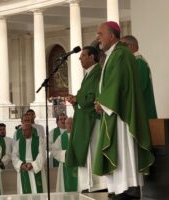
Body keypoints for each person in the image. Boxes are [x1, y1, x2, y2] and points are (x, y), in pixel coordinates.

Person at [93, 21, 154, 199]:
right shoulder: (114, 54)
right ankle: (119, 189)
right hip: (113, 111)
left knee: (122, 153)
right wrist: (102, 101)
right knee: (118, 154)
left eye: (100, 34)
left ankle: (127, 189)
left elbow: (118, 83)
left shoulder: (121, 54)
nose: (98, 38)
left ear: (112, 36)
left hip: (121, 115)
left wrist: (102, 102)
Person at [65, 46, 106, 192]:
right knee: (86, 151)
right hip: (84, 119)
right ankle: (88, 184)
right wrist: (75, 100)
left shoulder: (97, 73)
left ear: (92, 57)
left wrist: (78, 98)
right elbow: (84, 97)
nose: (79, 58)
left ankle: (98, 184)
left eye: (83, 55)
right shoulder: (88, 74)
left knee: (93, 150)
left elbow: (94, 96)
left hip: (92, 120)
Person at [120, 35, 158, 119]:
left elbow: (139, 87)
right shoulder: (133, 62)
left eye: (122, 47)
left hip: (143, 110)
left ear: (131, 46)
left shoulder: (139, 62)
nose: (120, 50)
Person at [12, 123, 47, 194]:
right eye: (23, 130)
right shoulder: (18, 142)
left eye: (27, 130)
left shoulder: (39, 140)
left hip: (36, 168)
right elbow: (14, 156)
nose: (24, 132)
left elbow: (42, 154)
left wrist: (33, 165)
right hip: (24, 169)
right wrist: (21, 165)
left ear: (31, 130)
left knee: (38, 192)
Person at [52, 117, 77, 192]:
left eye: (71, 123)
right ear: (65, 125)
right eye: (68, 123)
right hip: (64, 165)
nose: (70, 125)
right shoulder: (61, 137)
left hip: (77, 163)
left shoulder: (79, 135)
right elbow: (55, 151)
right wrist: (65, 153)